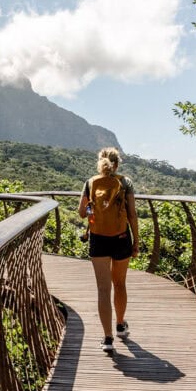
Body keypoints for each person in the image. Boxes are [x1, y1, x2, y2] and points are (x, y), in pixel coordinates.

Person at [78, 147, 139, 354]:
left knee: (103, 290)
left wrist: (91, 209)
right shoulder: (125, 182)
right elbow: (132, 215)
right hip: (121, 238)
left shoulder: (90, 183)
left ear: (100, 162)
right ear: (117, 163)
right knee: (119, 283)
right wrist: (136, 241)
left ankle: (107, 338)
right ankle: (120, 325)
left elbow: (81, 213)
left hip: (98, 239)